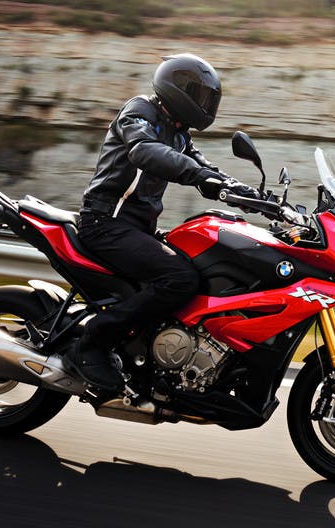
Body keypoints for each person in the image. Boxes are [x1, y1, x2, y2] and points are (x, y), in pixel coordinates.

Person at [67, 53, 257, 392]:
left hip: (136, 229)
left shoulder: (178, 132)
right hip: (105, 223)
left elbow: (202, 166)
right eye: (199, 96)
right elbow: (145, 151)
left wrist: (246, 193)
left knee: (202, 266)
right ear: (176, 88)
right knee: (179, 278)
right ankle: (92, 342)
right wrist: (198, 175)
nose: (204, 105)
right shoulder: (140, 112)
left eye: (208, 99)